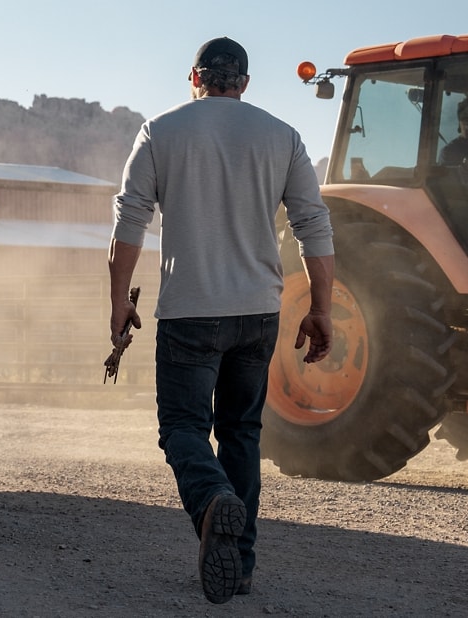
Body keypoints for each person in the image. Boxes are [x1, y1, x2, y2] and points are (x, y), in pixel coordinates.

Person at [107, 37, 335, 604]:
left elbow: (130, 220)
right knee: (241, 432)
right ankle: (242, 566)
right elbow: (313, 225)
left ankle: (212, 500)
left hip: (190, 311)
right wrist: (321, 308)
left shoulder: (160, 131)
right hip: (258, 312)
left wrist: (118, 300)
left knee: (183, 428)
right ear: (245, 83)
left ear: (195, 77)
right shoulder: (283, 136)